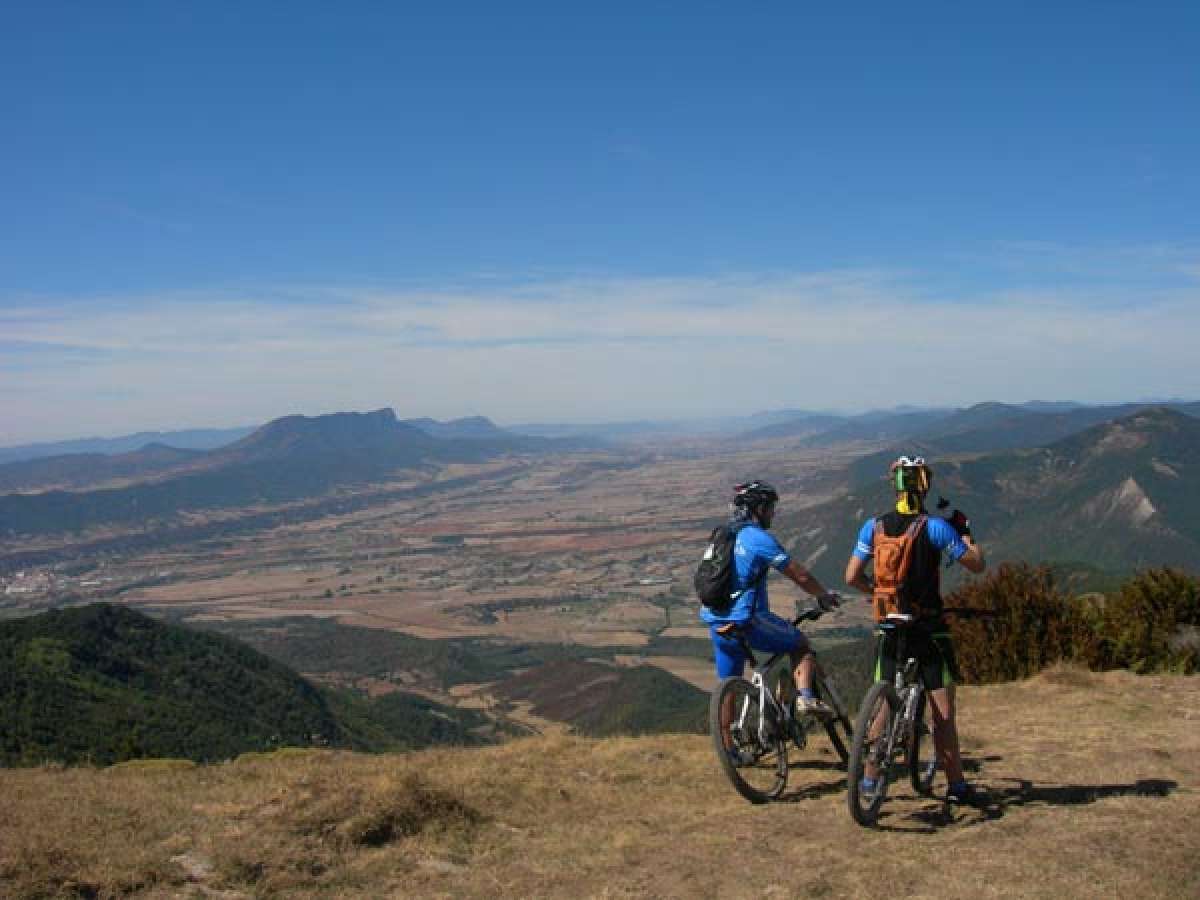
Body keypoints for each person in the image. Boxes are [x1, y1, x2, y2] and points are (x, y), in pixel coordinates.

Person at [843, 455, 987, 805]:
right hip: (927, 627)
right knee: (942, 710)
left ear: (895, 487)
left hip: (890, 624)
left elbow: (851, 576)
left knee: (883, 704)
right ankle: (955, 786)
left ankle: (869, 781)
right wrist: (966, 534)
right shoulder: (935, 528)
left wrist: (875, 594)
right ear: (923, 486)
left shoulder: (872, 527)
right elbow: (977, 565)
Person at [700, 480, 841, 717]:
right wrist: (823, 596)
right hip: (748, 621)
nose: (773, 513)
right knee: (801, 644)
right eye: (771, 508)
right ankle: (806, 698)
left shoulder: (721, 537)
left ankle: (729, 749)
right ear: (759, 509)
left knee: (728, 688)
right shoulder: (757, 538)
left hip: (716, 621)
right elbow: (800, 575)